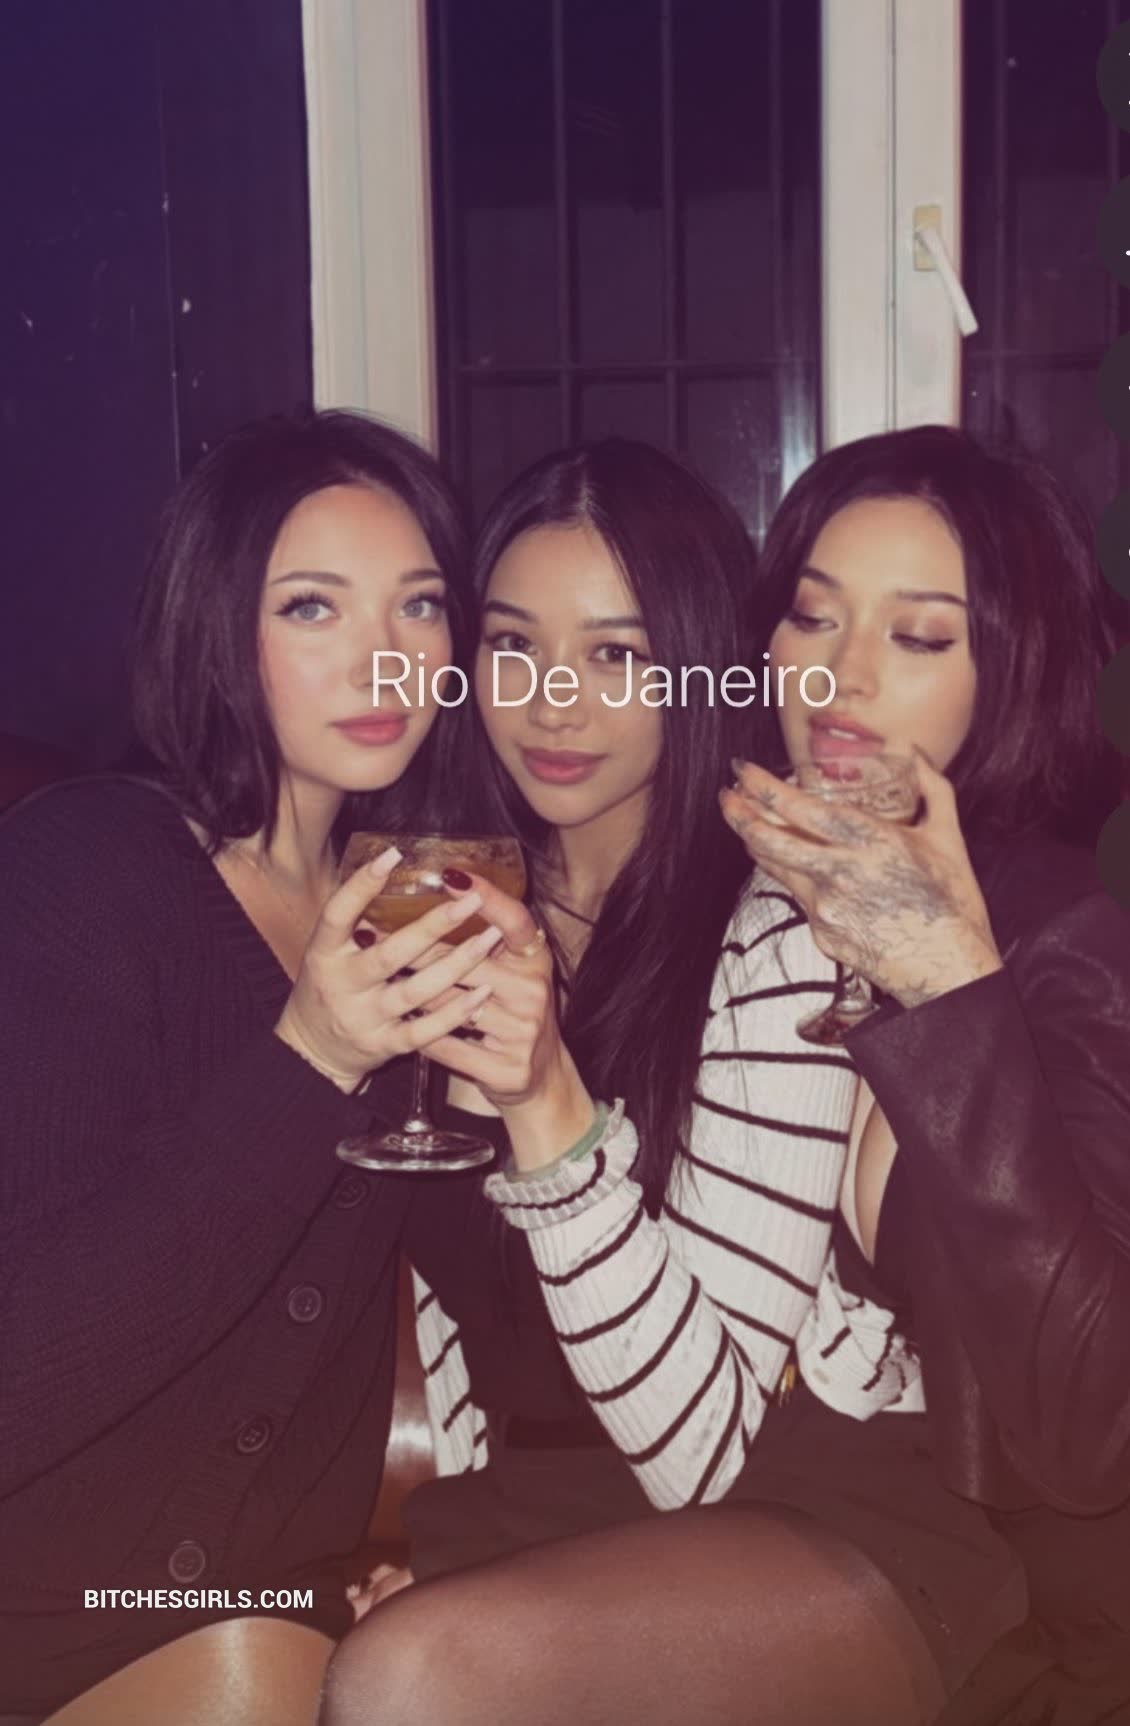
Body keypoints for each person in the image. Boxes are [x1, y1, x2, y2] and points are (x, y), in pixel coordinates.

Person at [319, 437, 1035, 1726]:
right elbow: (462, 1310)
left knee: (410, 1679)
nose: (553, 704)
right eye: (515, 644)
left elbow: (702, 1454)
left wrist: (545, 1103)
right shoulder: (453, 904)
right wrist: (459, 1540)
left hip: (802, 1527)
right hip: (556, 1526)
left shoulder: (778, 931)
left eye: (618, 656)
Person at [0, 410, 502, 1724]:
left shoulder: (402, 913)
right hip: (50, 1611)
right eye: (313, 606)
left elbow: (493, 1313)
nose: (386, 657)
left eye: (419, 605)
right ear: (217, 628)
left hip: (278, 1612)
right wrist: (310, 1056)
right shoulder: (82, 873)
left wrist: (529, 1088)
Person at [717, 425, 1130, 1723]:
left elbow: (1091, 1424)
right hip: (927, 1557)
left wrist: (952, 980)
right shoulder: (794, 895)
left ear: (1011, 670)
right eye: (812, 615)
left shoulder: (1078, 927)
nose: (840, 675)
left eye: (917, 634)